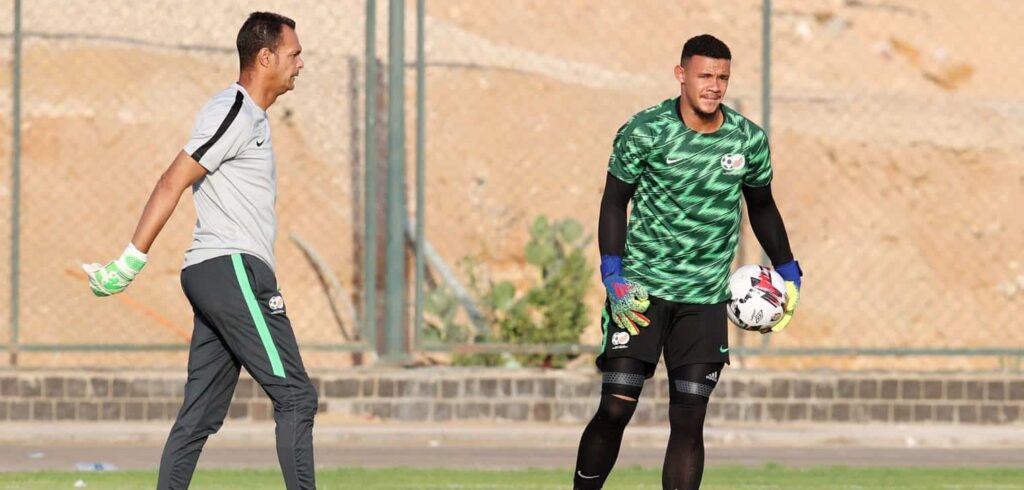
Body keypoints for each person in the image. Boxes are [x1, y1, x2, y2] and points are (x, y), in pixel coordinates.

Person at [81, 12, 318, 489]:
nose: (300, 64)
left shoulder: (252, 117)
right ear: (265, 56)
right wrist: (129, 261)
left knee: (200, 415)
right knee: (295, 396)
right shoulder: (234, 109)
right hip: (230, 271)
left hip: (220, 275)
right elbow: (173, 178)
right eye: (294, 54)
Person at [573, 34, 803, 490]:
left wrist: (788, 267)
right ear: (681, 75)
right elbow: (614, 201)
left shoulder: (747, 139)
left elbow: (761, 206)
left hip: (704, 299)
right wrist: (612, 274)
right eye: (705, 75)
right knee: (617, 406)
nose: (714, 86)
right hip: (640, 292)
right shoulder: (645, 130)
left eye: (722, 77)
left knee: (689, 420)